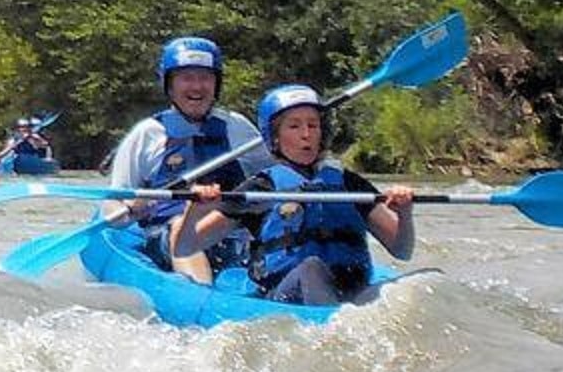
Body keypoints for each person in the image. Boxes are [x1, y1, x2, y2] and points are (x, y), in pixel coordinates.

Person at [172, 84, 416, 305]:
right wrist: (195, 209)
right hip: (287, 295)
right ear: (276, 138)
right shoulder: (261, 188)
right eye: (294, 126)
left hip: (352, 294)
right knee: (311, 269)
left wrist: (404, 213)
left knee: (425, 280)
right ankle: (331, 331)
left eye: (313, 125)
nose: (306, 134)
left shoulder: (348, 182)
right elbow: (184, 248)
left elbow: (402, 251)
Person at [103, 36, 274, 283]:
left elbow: (275, 179)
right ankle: (198, 293)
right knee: (179, 225)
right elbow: (114, 199)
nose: (197, 87)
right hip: (167, 234)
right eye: (187, 78)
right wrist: (128, 208)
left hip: (228, 233)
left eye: (205, 78)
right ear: (170, 86)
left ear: (216, 84)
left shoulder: (238, 129)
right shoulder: (148, 134)